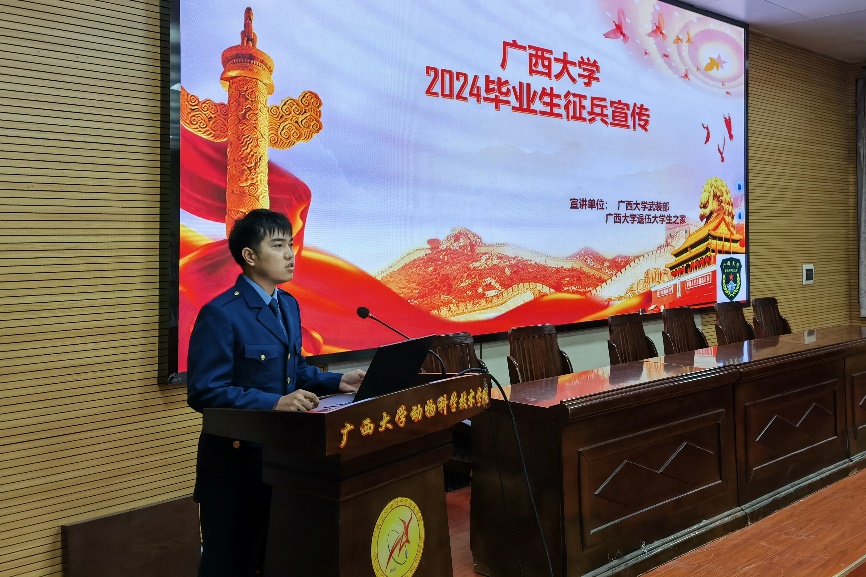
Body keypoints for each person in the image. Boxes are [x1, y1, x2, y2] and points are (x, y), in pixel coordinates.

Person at [187, 209, 365, 577]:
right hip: (236, 466)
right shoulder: (222, 313)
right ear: (250, 255)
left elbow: (292, 370)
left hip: (284, 459)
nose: (290, 255)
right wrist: (275, 403)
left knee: (275, 559)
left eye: (291, 245)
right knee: (229, 565)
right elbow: (205, 391)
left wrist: (337, 382)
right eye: (279, 246)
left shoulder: (288, 305)